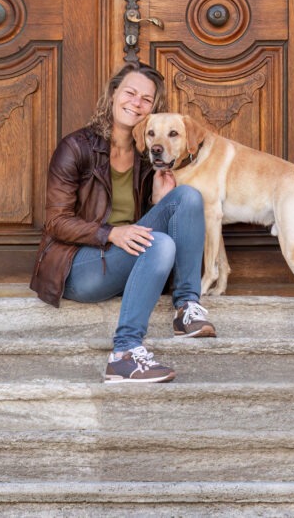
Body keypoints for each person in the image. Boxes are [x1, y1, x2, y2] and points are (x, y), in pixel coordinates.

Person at [30, 62, 216, 383]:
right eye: (130, 92)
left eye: (146, 99)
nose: (136, 102)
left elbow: (144, 225)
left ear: (152, 109)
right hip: (77, 266)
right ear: (114, 93)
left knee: (187, 197)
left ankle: (186, 307)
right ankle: (124, 353)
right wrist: (111, 233)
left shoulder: (148, 155)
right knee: (160, 243)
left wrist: (158, 202)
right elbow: (56, 222)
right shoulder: (76, 148)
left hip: (124, 258)